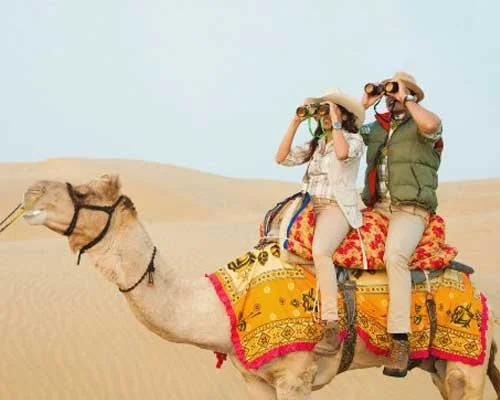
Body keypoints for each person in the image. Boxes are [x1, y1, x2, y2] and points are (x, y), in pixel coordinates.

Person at [360, 72, 443, 377]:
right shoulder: (377, 128)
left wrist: (406, 97)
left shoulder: (423, 126)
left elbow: (432, 125)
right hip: (378, 208)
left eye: (396, 90)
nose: (390, 96)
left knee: (394, 256)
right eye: (388, 91)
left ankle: (400, 340)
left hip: (410, 209)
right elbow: (350, 134)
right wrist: (365, 103)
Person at [275, 89, 365, 356]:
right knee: (274, 241)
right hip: (308, 206)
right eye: (322, 111)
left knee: (321, 252)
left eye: (330, 109)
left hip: (336, 207)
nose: (324, 116)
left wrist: (335, 122)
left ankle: (331, 324)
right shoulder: (316, 144)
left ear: (344, 114)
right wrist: (296, 122)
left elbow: (341, 153)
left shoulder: (353, 139)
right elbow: (281, 158)